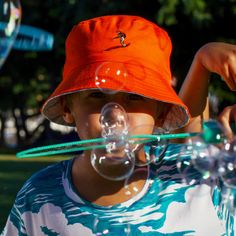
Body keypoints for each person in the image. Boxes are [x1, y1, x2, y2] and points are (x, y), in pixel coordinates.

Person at [1, 15, 236, 236]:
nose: (115, 114)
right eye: (96, 95)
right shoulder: (39, 196)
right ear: (66, 107)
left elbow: (190, 147)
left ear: (162, 113)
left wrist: (204, 60)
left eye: (135, 97)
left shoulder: (198, 179)